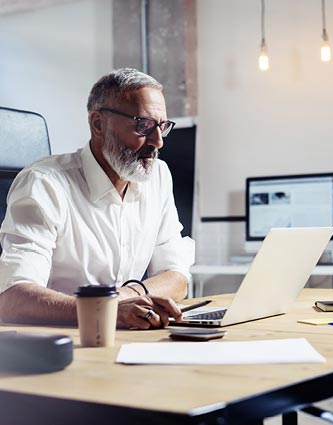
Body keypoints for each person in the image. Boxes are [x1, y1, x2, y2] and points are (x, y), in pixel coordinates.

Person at [0, 68, 194, 329]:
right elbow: (12, 300)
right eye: (144, 125)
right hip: (61, 346)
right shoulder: (44, 183)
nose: (158, 141)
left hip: (127, 338)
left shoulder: (158, 176)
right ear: (98, 124)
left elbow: (177, 277)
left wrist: (124, 298)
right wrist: (106, 310)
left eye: (162, 126)